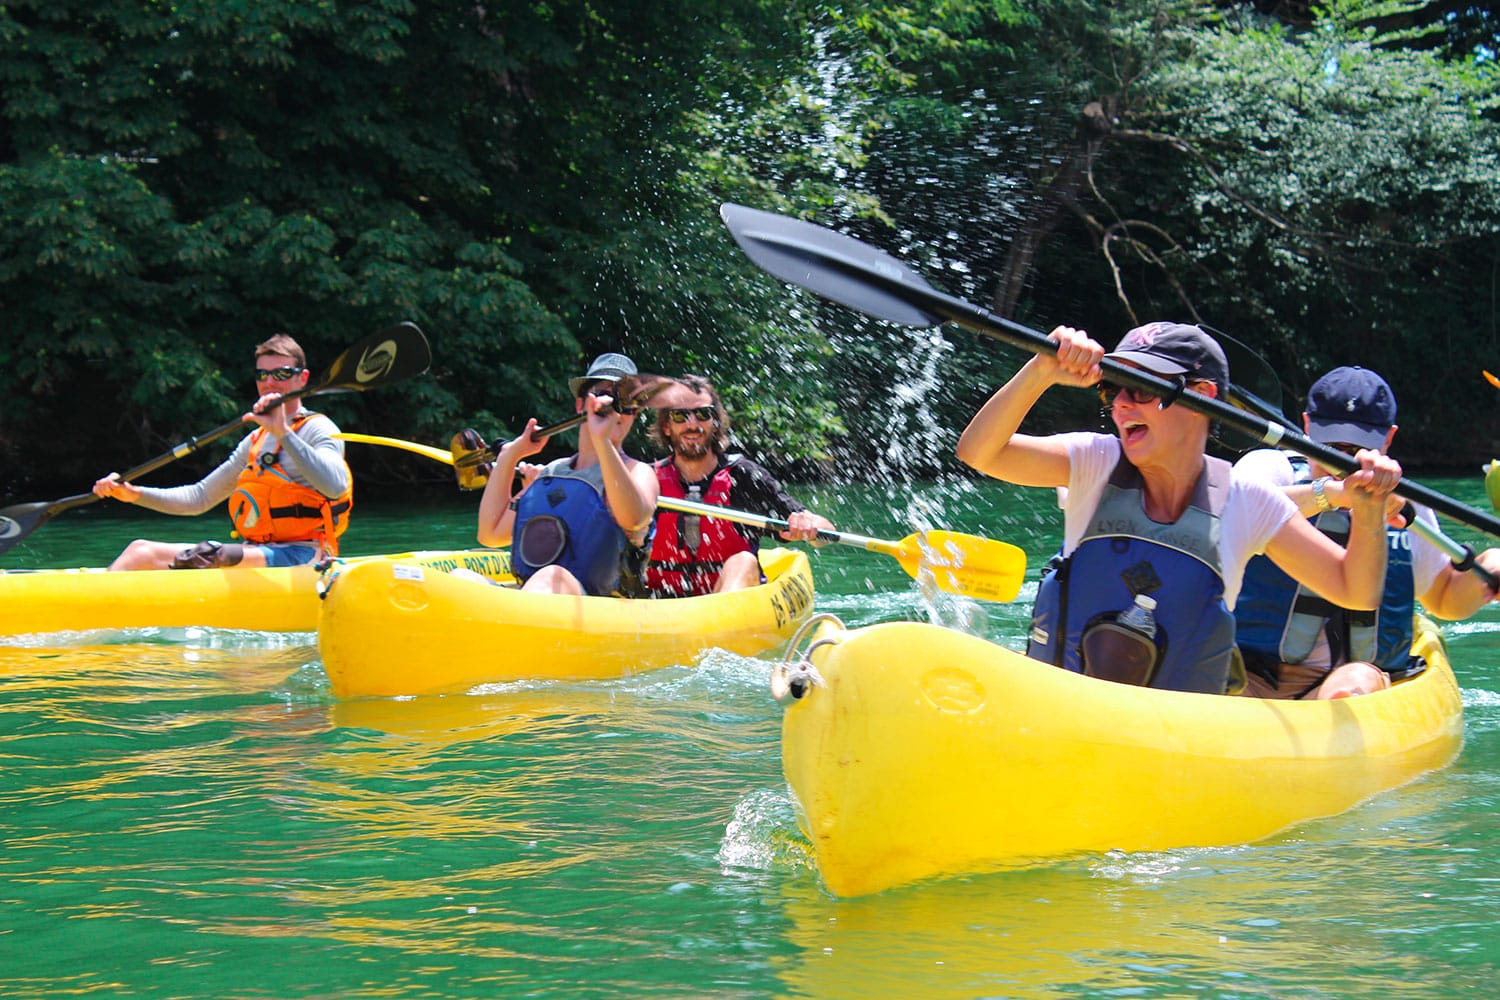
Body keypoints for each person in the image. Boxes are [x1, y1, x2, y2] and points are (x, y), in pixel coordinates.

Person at [955, 322, 1403, 695]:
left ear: (1202, 396)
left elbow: (1353, 591)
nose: (1122, 403)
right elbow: (980, 453)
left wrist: (1367, 510)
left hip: (1174, 733)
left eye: (1141, 389)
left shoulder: (1247, 500)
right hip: (1065, 705)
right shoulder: (1094, 460)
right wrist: (1041, 371)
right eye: (1114, 388)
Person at [1234, 366, 1500, 699]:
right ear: (1306, 425)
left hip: (1355, 683)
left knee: (1354, 682)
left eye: (1358, 447)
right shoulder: (1270, 469)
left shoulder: (1408, 506)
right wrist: (1333, 493)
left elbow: (1444, 599)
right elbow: (1240, 508)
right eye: (1330, 443)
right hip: (1254, 674)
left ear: (1388, 438)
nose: (1343, 456)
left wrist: (1488, 569)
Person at [92, 334, 353, 571]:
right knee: (141, 551)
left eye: (282, 374)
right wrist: (132, 494)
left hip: (307, 557)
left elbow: (335, 486)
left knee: (216, 555)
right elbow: (200, 497)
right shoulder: (255, 440)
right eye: (262, 375)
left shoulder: (319, 428)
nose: (269, 382)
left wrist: (283, 431)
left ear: (302, 378)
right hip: (256, 551)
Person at [476, 352, 658, 597]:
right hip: (537, 600)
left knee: (551, 577)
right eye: (604, 394)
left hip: (600, 609)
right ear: (581, 405)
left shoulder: (639, 472)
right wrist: (509, 456)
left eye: (624, 402)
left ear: (633, 414)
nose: (613, 408)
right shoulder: (552, 473)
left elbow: (634, 519)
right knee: (461, 579)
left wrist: (601, 441)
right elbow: (490, 533)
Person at [642, 375, 834, 597]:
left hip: (729, 603)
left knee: (742, 561)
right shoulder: (647, 480)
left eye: (703, 414)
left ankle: (716, 622)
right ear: (667, 427)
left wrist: (809, 524)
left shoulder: (744, 477)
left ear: (715, 423)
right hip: (660, 601)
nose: (692, 424)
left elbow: (825, 531)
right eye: (680, 415)